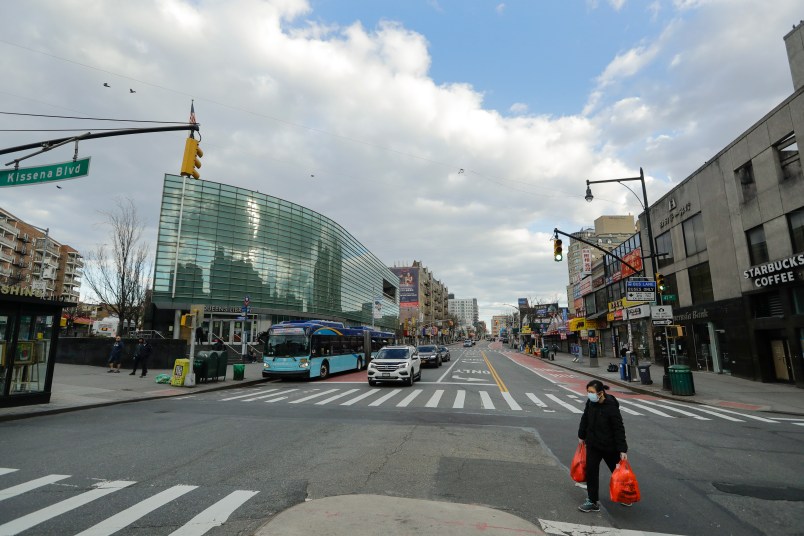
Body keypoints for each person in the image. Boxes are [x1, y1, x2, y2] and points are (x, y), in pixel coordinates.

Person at [577, 380, 629, 513]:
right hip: (593, 444)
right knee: (591, 471)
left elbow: (618, 428)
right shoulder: (590, 403)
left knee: (617, 472)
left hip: (609, 446)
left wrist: (622, 449)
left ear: (600, 393)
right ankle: (592, 501)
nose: (589, 395)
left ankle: (625, 495)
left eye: (592, 392)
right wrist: (581, 435)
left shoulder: (610, 406)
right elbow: (585, 418)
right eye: (588, 392)